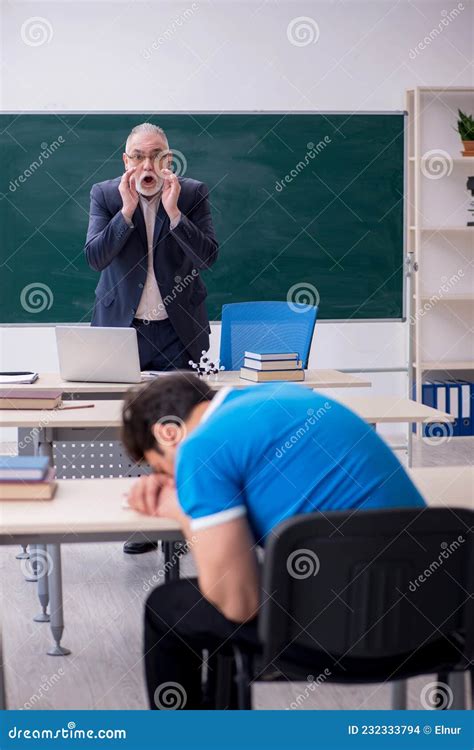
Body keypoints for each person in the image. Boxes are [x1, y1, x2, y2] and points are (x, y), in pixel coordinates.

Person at [121, 374, 425, 709]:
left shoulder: (200, 447)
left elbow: (240, 604)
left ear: (166, 433)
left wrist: (181, 511)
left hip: (349, 638)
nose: (171, 479)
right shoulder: (284, 396)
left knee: (168, 606)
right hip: (433, 619)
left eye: (162, 467)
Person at [85, 122, 218, 554]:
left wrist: (175, 213)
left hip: (177, 331)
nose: (148, 164)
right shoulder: (105, 195)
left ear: (169, 159)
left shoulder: (192, 194)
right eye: (138, 156)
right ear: (126, 161)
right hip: (125, 331)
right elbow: (96, 257)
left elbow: (208, 257)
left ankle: (180, 523)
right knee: (135, 430)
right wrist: (125, 213)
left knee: (182, 430)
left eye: (157, 155)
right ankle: (143, 523)